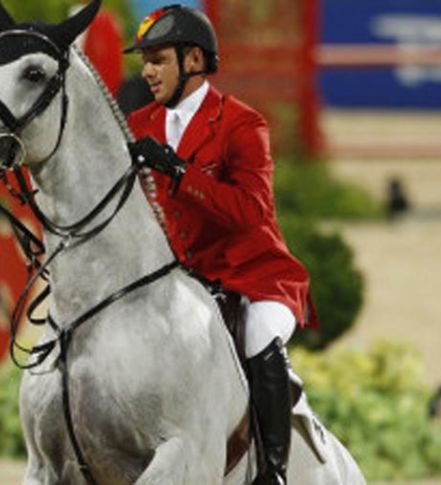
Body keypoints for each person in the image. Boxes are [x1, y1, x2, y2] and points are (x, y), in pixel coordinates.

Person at [124, 6, 319, 484]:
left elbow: (251, 211)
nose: (147, 70)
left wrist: (176, 170)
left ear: (193, 60)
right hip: (179, 280)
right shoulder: (139, 123)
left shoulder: (241, 124)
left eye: (158, 59)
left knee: (257, 335)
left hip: (255, 278)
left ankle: (272, 470)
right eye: (144, 60)